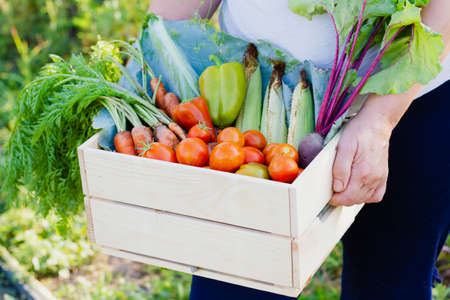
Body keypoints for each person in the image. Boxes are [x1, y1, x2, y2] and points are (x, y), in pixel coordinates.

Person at [149, 1, 450, 299]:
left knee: (391, 283)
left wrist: (381, 119)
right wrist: (154, 48)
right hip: (255, 97)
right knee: (238, 285)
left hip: (410, 96)